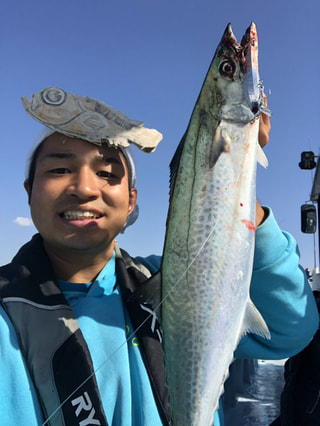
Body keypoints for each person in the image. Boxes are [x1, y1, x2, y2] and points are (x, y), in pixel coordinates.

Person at [0, 87, 318, 426]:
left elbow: (293, 328)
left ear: (131, 201)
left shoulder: (171, 277)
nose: (86, 188)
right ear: (29, 190)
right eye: (59, 170)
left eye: (107, 174)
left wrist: (234, 175)